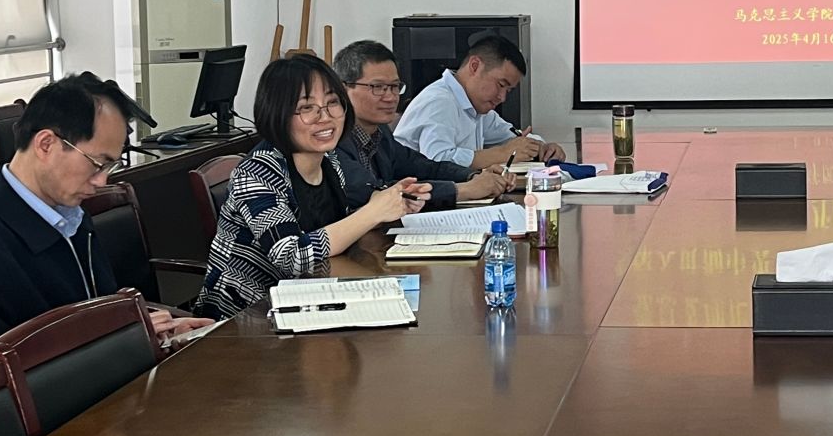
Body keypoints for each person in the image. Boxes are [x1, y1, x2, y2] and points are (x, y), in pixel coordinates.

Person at [0, 73, 212, 355]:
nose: (102, 181)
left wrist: (157, 337)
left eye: (109, 167)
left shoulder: (70, 215)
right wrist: (125, 339)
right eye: (97, 163)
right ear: (46, 144)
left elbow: (97, 316)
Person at [195, 55, 432, 320]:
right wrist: (373, 212)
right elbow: (291, 256)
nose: (325, 117)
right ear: (277, 113)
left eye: (332, 103)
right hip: (247, 318)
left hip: (312, 300)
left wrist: (392, 204)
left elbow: (339, 227)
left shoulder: (329, 161)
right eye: (307, 108)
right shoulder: (257, 172)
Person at [332, 39, 515, 210]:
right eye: (378, 87)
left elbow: (424, 166)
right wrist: (464, 190)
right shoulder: (333, 139)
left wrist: (473, 176)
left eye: (395, 87)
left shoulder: (379, 133)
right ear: (343, 89)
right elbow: (375, 192)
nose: (390, 97)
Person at [394, 32, 565, 171]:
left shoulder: (476, 107)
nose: (502, 97)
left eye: (508, 90)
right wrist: (502, 153)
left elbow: (510, 136)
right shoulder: (439, 101)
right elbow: (437, 161)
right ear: (475, 66)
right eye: (501, 85)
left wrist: (541, 147)